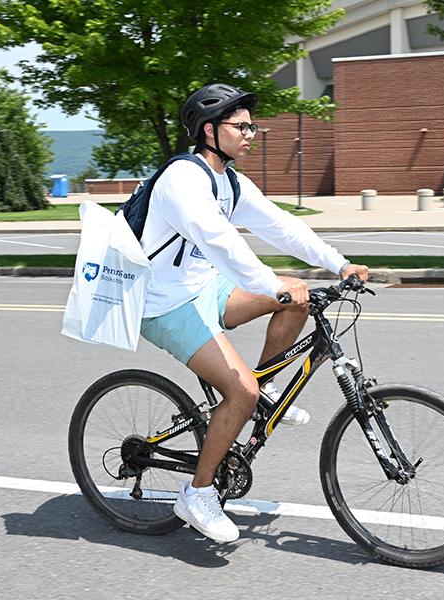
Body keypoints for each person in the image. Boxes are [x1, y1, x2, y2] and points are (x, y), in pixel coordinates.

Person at [138, 83, 369, 543]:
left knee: (298, 293)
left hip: (205, 288)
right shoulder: (181, 180)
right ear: (209, 129)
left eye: (252, 126)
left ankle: (264, 391)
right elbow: (221, 244)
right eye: (241, 126)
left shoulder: (229, 180)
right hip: (164, 303)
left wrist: (338, 262)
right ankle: (197, 494)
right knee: (238, 390)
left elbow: (280, 225)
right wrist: (269, 287)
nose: (251, 134)